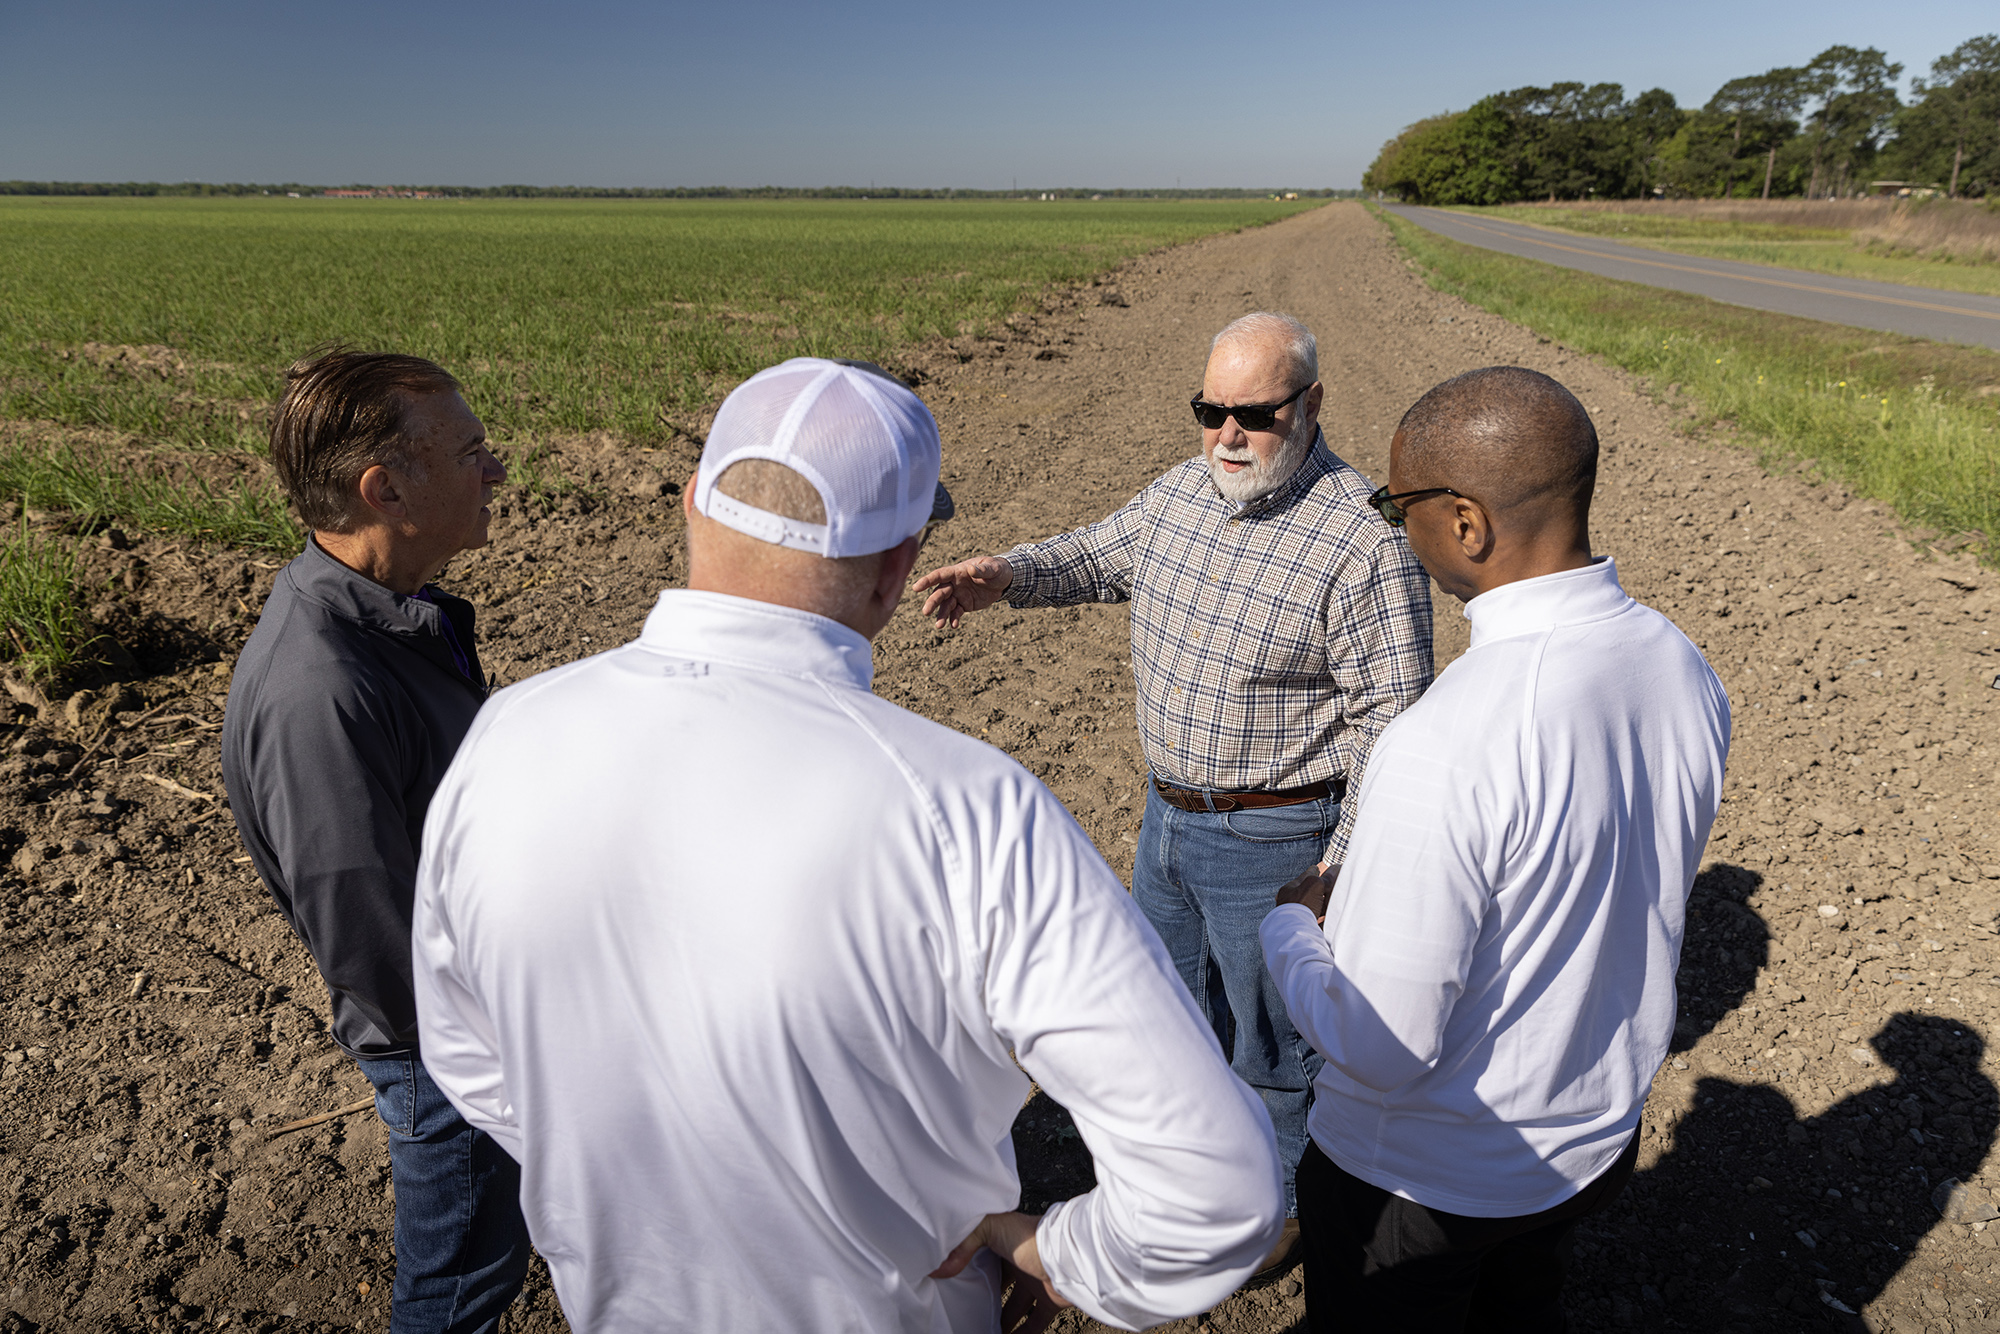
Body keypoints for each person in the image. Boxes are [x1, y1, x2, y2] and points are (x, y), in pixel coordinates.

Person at [408, 357, 1284, 1333]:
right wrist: (1059, 1252)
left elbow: (467, 1054)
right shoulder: (967, 810)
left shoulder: (504, 736)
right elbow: (1215, 1191)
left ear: (696, 503)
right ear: (899, 566)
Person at [913, 312, 1434, 1253]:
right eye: (1210, 411)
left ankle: (1273, 1218)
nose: (1228, 435)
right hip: (1170, 823)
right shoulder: (1181, 495)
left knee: (1274, 1051)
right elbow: (1100, 554)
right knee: (1168, 1019)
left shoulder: (1363, 543)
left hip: (1279, 841)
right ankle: (1179, 1183)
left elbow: (1391, 734)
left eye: (1256, 415)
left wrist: (1336, 871)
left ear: (1312, 404)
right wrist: (1009, 576)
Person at [1260, 366, 1732, 1331]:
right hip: (1589, 1144)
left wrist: (1289, 931)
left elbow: (1380, 1048)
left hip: (1423, 1182)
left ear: (1465, 522)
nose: (1395, 526)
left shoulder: (1449, 739)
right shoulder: (1680, 665)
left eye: (1398, 506)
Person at [221, 349, 526, 1334]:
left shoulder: (394, 617)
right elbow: (371, 941)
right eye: (473, 451)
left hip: (470, 1017)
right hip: (447, 1051)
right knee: (455, 1289)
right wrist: (486, 1061)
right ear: (382, 487)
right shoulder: (323, 688)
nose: (498, 471)